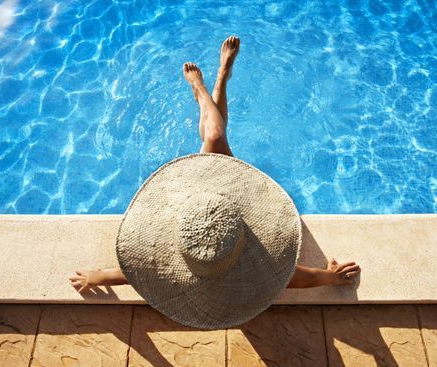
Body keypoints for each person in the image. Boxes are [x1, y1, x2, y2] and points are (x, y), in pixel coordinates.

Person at [70, 35, 360, 295]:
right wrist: (331, 278)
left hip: (198, 201)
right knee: (216, 134)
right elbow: (296, 278)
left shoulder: (176, 258)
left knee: (214, 134)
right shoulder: (259, 268)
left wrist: (98, 277)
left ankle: (204, 89)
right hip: (225, 198)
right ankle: (215, 82)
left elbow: (136, 272)